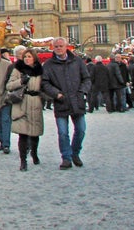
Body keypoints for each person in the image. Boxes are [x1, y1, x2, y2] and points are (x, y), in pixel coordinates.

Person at [41, 37, 91, 169]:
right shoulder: (49, 65)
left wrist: (82, 92)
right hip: (61, 101)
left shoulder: (77, 61)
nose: (58, 48)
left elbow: (86, 79)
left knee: (81, 130)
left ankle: (75, 153)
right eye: (56, 46)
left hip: (77, 100)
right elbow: (44, 83)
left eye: (60, 46)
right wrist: (55, 93)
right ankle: (66, 158)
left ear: (66, 47)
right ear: (53, 48)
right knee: (63, 133)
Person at [6, 48, 45, 171]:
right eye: (25, 56)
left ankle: (34, 153)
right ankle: (23, 161)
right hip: (22, 103)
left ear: (34, 58)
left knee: (34, 133)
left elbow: (45, 86)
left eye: (29, 56)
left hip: (35, 102)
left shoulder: (40, 70)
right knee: (22, 134)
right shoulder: (18, 69)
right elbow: (9, 85)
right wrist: (21, 81)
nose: (27, 59)